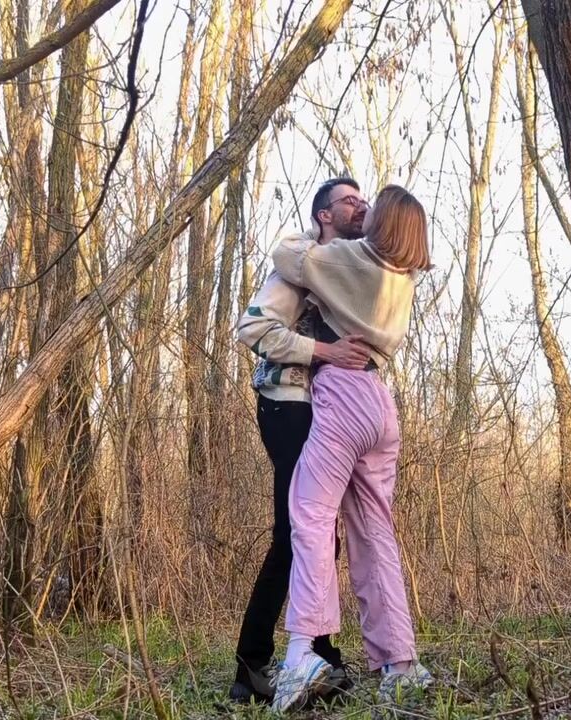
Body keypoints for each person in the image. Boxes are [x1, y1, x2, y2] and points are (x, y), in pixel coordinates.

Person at [270, 185, 434, 712]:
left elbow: (287, 255)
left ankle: (302, 651)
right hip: (380, 403)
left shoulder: (351, 259)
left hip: (343, 394)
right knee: (374, 532)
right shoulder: (404, 275)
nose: (363, 210)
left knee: (311, 513)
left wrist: (318, 234)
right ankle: (400, 663)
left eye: (371, 208)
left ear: (382, 224)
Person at [229, 178, 375, 704]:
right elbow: (253, 329)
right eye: (349, 201)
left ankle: (320, 655)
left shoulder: (349, 268)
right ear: (324, 215)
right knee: (294, 531)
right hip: (288, 403)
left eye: (363, 200)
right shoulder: (299, 264)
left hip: (330, 412)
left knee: (320, 534)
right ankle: (252, 664)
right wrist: (325, 353)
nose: (360, 206)